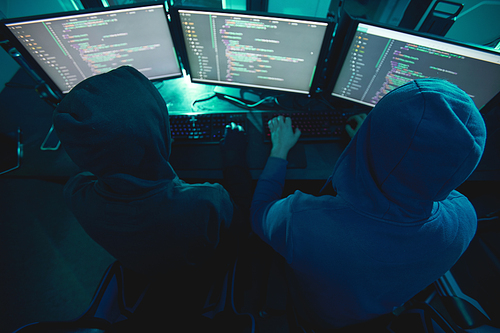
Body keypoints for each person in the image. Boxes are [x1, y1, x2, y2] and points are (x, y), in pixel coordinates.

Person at [251, 78, 487, 330]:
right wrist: (380, 145)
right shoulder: (465, 219)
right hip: (380, 313)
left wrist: (279, 150)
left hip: (314, 316)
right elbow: (421, 172)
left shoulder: (302, 220)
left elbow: (259, 213)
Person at [53, 66, 251, 327]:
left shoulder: (75, 194)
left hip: (142, 268)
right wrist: (234, 161)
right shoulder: (205, 201)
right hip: (201, 271)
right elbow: (241, 226)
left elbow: (96, 168)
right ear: (160, 133)